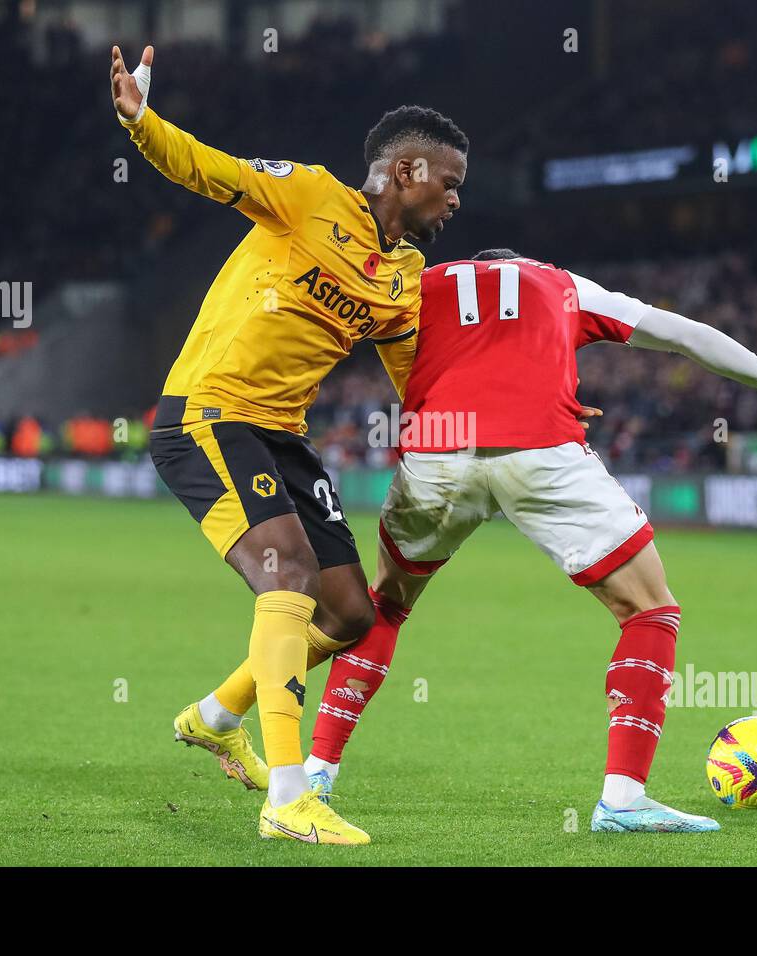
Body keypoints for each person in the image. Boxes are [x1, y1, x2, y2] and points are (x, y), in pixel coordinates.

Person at [305, 249, 757, 832]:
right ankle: (622, 799)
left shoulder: (421, 284)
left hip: (438, 453)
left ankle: (315, 773)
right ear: (521, 263)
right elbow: (684, 335)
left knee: (383, 606)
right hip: (539, 451)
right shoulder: (558, 282)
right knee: (650, 610)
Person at [111, 44, 467, 844]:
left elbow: (417, 385)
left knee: (348, 615)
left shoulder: (402, 276)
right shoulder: (308, 194)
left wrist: (513, 415)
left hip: (281, 437)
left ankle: (213, 716)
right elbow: (212, 170)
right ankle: (288, 795)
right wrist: (141, 122)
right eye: (450, 185)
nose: (454, 203)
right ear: (405, 171)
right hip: (208, 416)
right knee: (288, 572)